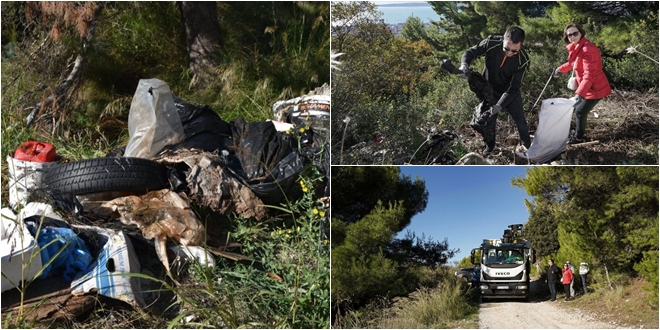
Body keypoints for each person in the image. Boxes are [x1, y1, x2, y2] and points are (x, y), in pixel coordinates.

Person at [459, 26, 532, 157]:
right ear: (503, 39)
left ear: (521, 46)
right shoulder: (491, 43)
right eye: (506, 49)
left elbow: (514, 87)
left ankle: (527, 145)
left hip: (510, 94)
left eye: (514, 51)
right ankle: (490, 146)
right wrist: (464, 64)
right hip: (489, 90)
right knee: (489, 122)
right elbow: (470, 52)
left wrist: (499, 105)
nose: (509, 53)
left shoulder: (523, 60)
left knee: (520, 120)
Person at [552, 23, 611, 144]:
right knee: (579, 111)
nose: (572, 37)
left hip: (595, 88)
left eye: (575, 33)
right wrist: (560, 70)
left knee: (579, 111)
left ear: (581, 33)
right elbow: (573, 64)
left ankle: (578, 137)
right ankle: (578, 132)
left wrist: (580, 93)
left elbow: (589, 74)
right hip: (588, 87)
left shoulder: (588, 49)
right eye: (569, 35)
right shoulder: (577, 47)